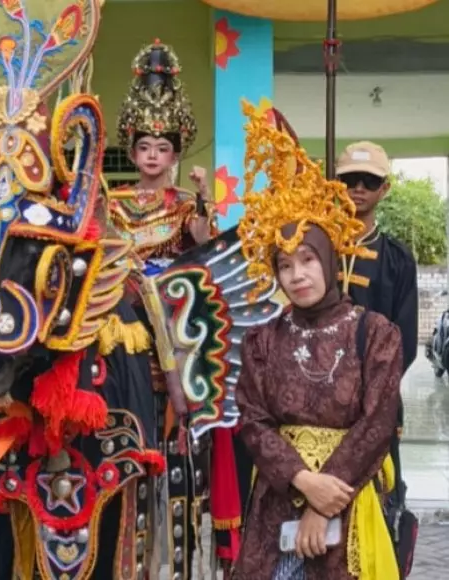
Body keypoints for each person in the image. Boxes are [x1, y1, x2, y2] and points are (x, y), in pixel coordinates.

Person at [232, 102, 402, 580]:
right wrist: (303, 482)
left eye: (308, 259)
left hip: (349, 502)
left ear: (328, 259)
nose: (297, 275)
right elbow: (253, 420)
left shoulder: (375, 334)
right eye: (284, 265)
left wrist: (323, 502)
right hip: (275, 508)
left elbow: (378, 423)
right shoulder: (263, 340)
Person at [110, 38, 231, 579]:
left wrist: (203, 201)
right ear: (132, 151)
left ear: (176, 153)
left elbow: (205, 250)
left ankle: (181, 567)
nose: (153, 155)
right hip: (124, 341)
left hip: (177, 344)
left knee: (181, 469)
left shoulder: (185, 205)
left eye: (162, 146)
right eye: (144, 146)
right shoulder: (112, 202)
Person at [336, 141, 418, 514]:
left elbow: (406, 342)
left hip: (377, 401)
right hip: (318, 401)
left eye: (369, 181)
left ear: (384, 188)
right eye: (350, 179)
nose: (358, 188)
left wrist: (367, 390)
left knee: (380, 506)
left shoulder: (398, 259)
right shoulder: (317, 248)